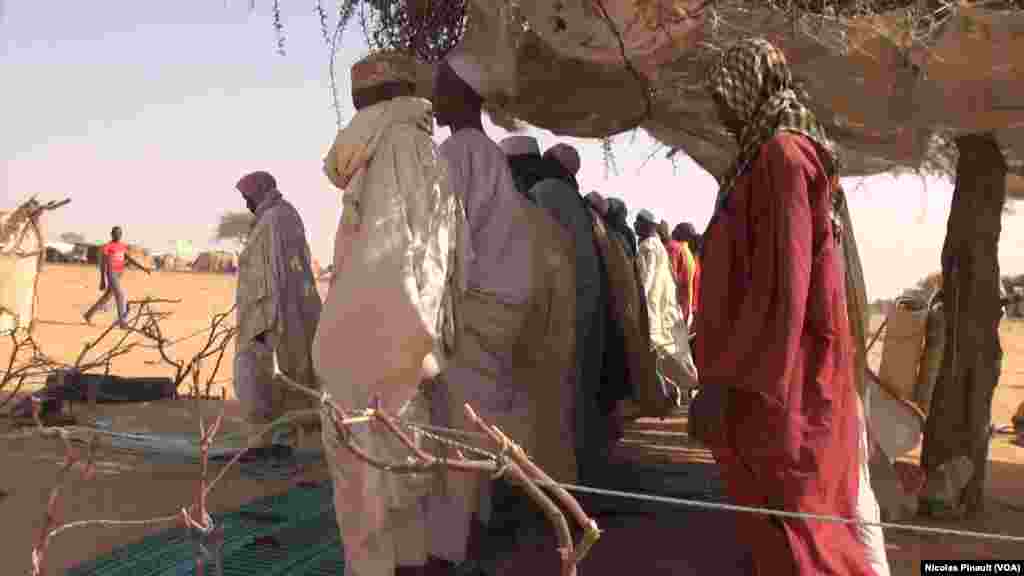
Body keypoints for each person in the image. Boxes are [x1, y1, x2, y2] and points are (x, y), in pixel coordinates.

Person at [694, 37, 876, 575]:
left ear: (749, 88)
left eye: (724, 97)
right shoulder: (767, 157)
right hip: (776, 378)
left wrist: (727, 388)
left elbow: (782, 290)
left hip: (786, 387)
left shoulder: (783, 156)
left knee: (805, 533)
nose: (721, 113)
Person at [426, 47, 577, 576]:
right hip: (504, 308)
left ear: (462, 94)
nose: (433, 93)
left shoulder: (458, 153)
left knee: (454, 425)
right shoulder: (486, 155)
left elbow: (445, 243)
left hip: (477, 309)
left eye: (441, 85)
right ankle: (487, 520)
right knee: (484, 418)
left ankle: (446, 550)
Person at [316, 51, 460, 576]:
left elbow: (385, 258)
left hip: (373, 339)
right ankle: (407, 563)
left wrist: (338, 347)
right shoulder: (421, 147)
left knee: (364, 470)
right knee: (401, 465)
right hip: (408, 340)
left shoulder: (392, 145)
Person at [233, 171, 322, 455]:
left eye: (247, 197)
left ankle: (276, 439)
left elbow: (272, 275)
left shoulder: (274, 220)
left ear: (258, 193)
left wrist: (266, 320)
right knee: (290, 368)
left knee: (270, 369)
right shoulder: (282, 214)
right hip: (288, 308)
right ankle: (288, 437)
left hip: (273, 311)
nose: (246, 203)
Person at [634, 210, 698, 404]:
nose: (635, 226)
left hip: (655, 309)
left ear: (648, 225)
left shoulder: (649, 247)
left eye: (638, 222)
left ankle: (676, 389)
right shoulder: (660, 247)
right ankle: (679, 388)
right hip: (667, 308)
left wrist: (640, 304)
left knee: (662, 352)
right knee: (670, 352)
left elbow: (646, 279)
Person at [83, 226, 150, 327]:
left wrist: (143, 268)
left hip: (119, 274)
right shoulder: (107, 247)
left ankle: (88, 315)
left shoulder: (122, 246)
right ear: (111, 234)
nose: (118, 235)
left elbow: (129, 259)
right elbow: (103, 263)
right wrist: (102, 279)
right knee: (120, 295)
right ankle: (122, 322)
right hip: (111, 273)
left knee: (106, 297)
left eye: (120, 233)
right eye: (116, 233)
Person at [669, 222, 699, 326]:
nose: (673, 231)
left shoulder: (674, 249)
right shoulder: (690, 254)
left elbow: (670, 278)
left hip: (675, 305)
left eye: (676, 229)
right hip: (686, 306)